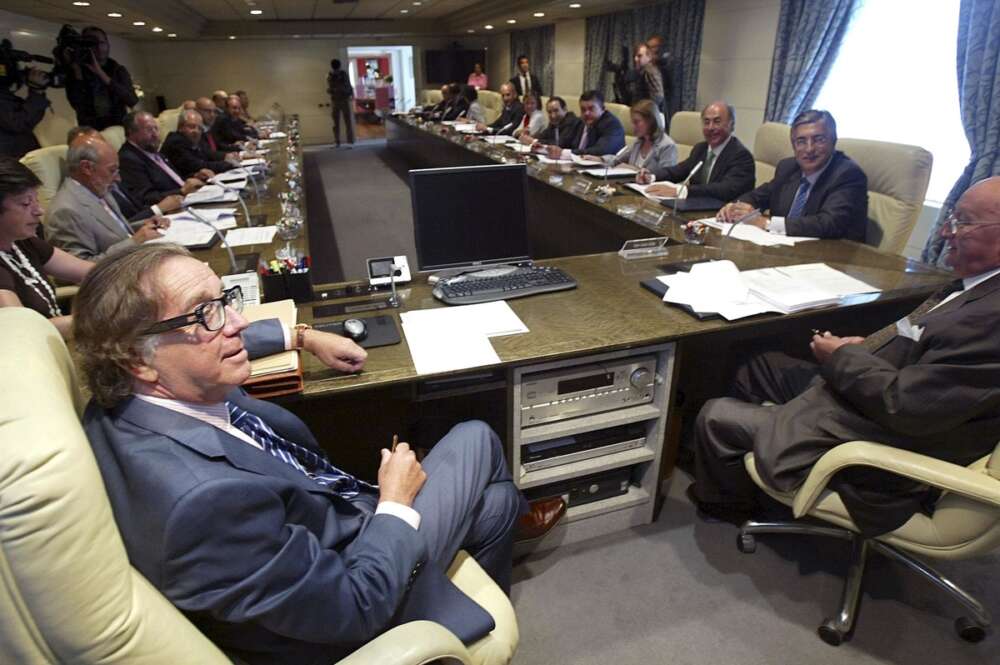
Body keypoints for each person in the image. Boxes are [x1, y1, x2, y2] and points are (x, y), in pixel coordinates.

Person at [72, 243, 550, 665]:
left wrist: (300, 336)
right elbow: (352, 606)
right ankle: (449, 587)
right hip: (352, 596)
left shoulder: (136, 397)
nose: (237, 323)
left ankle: (487, 553)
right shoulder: (203, 502)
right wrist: (395, 504)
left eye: (226, 301)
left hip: (323, 537)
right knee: (476, 437)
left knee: (496, 507)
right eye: (206, 313)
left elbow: (203, 336)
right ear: (138, 357)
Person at [690, 174, 1000, 537]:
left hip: (880, 439)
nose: (945, 233)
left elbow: (908, 405)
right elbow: (923, 342)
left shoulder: (991, 320)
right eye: (950, 219)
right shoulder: (976, 287)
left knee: (715, 416)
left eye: (962, 223)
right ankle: (754, 468)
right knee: (753, 362)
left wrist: (842, 357)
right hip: (868, 390)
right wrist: (865, 346)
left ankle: (728, 507)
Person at [717, 109, 867, 240]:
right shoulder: (788, 167)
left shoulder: (847, 174)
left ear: (833, 141)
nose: (809, 149)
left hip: (833, 258)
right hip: (782, 248)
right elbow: (758, 196)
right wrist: (735, 208)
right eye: (801, 141)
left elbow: (829, 223)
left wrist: (766, 223)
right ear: (793, 145)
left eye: (819, 140)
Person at [0, 158, 93, 338]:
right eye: (26, 203)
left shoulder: (22, 241)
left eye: (36, 199)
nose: (39, 210)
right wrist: (98, 320)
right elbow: (21, 329)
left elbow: (92, 272)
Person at [46, 136, 170, 262]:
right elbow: (79, 269)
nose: (118, 179)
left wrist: (145, 225)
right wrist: (135, 241)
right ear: (86, 168)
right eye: (112, 170)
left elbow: (116, 233)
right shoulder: (65, 211)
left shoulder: (98, 189)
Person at [643, 101, 755, 201]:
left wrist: (683, 191)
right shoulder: (700, 149)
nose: (710, 127)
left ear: (731, 125)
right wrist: (652, 176)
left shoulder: (741, 156)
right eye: (706, 122)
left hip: (722, 215)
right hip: (695, 210)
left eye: (717, 121)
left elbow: (725, 190)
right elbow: (679, 170)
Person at [66, 126, 183, 221]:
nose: (117, 177)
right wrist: (158, 209)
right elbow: (120, 229)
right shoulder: (88, 191)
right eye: (94, 147)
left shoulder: (108, 177)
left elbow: (135, 209)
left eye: (102, 143)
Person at [119, 111, 206, 206]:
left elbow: (174, 180)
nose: (155, 134)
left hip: (188, 199)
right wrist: (182, 191)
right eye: (149, 130)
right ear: (131, 132)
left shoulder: (152, 150)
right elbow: (146, 197)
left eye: (156, 128)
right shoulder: (128, 159)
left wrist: (196, 176)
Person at [62, 26, 138, 130]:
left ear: (108, 44)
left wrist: (101, 74)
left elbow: (132, 100)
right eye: (92, 44)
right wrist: (76, 71)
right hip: (91, 131)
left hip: (118, 128)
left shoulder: (118, 70)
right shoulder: (77, 71)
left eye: (102, 43)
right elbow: (76, 104)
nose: (99, 48)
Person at [547, 90, 625, 158]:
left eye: (591, 109)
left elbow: (600, 151)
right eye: (583, 109)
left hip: (604, 171)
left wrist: (566, 153)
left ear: (603, 109)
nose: (586, 113)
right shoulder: (580, 122)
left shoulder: (611, 124)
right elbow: (563, 143)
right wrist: (546, 148)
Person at [161, 110, 237, 179]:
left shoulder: (193, 138)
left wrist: (226, 156)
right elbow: (197, 166)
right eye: (192, 127)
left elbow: (207, 153)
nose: (196, 131)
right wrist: (229, 163)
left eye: (200, 128)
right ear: (180, 127)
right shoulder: (176, 142)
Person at [613, 100, 677, 174]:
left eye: (636, 122)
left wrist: (635, 170)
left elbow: (666, 175)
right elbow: (617, 160)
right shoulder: (639, 141)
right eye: (632, 122)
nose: (633, 126)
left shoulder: (667, 146)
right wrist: (601, 160)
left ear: (650, 121)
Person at [0, 66, 49, 158]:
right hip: (10, 161)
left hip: (17, 158)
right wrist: (36, 91)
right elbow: (18, 123)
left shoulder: (6, 97)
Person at [622, 43, 665, 114]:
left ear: (649, 57)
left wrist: (643, 111)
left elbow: (658, 96)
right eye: (634, 56)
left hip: (647, 117)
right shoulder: (643, 71)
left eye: (639, 56)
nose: (635, 59)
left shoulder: (649, 70)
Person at [326, 59, 355, 149]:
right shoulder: (331, 75)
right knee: (340, 121)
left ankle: (343, 141)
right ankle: (343, 141)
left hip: (340, 99)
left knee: (342, 121)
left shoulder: (341, 74)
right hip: (338, 100)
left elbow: (347, 85)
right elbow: (330, 88)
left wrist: (348, 93)